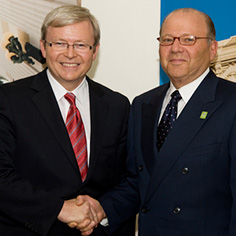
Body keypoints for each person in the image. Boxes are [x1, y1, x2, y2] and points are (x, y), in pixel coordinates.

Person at [76, 7, 236, 236]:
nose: (176, 48)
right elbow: (138, 183)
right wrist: (101, 210)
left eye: (189, 39)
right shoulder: (143, 104)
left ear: (212, 49)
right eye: (168, 39)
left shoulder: (231, 103)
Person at [0, 5, 135, 236]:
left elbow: (129, 178)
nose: (70, 54)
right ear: (43, 47)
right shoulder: (8, 100)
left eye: (81, 45)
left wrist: (101, 210)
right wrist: (59, 209)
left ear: (95, 51)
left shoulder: (117, 105)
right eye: (59, 43)